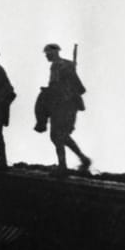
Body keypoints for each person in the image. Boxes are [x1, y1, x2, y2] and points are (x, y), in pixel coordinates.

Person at [36, 44, 90, 174]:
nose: (46, 56)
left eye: (48, 53)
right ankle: (82, 159)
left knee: (57, 135)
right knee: (61, 136)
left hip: (66, 106)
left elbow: (80, 88)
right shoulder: (56, 66)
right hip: (58, 105)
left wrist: (65, 88)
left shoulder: (63, 66)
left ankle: (63, 166)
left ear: (54, 53)